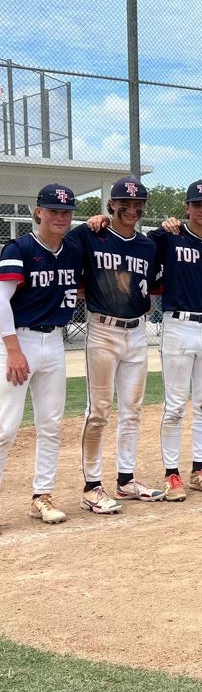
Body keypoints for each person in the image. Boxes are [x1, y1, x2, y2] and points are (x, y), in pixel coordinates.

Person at [72, 176, 164, 512]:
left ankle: (125, 481)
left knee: (133, 409)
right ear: (111, 204)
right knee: (98, 411)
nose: (132, 209)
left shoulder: (147, 246)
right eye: (124, 203)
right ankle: (92, 486)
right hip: (103, 331)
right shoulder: (88, 234)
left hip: (137, 331)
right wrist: (90, 221)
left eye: (138, 204)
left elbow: (150, 284)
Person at [0, 184, 84, 526]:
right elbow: (1, 300)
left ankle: (42, 495)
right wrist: (13, 349)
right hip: (21, 340)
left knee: (50, 426)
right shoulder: (19, 247)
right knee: (5, 426)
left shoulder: (74, 251)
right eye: (53, 210)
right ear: (39, 212)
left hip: (55, 342)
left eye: (66, 211)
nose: (60, 217)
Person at [148, 180, 202, 499]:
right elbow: (131, 241)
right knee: (174, 406)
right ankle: (172, 474)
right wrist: (101, 220)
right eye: (196, 204)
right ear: (186, 208)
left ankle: (199, 469)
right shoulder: (168, 235)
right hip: (178, 324)